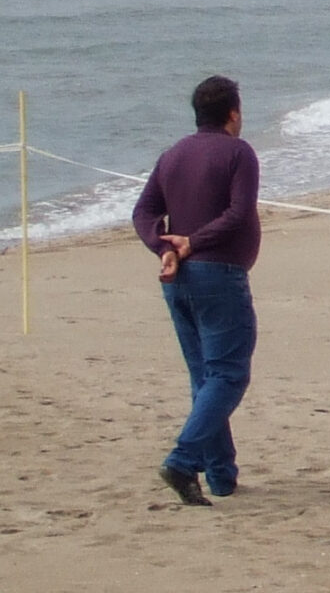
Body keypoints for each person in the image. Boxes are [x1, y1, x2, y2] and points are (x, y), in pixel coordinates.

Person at [131, 75, 261, 507]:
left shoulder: (173, 155)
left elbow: (143, 212)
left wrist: (166, 246)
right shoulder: (238, 152)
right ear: (233, 114)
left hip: (183, 277)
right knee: (228, 374)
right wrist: (178, 244)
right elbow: (239, 212)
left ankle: (221, 475)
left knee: (206, 378)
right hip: (216, 275)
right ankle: (183, 461)